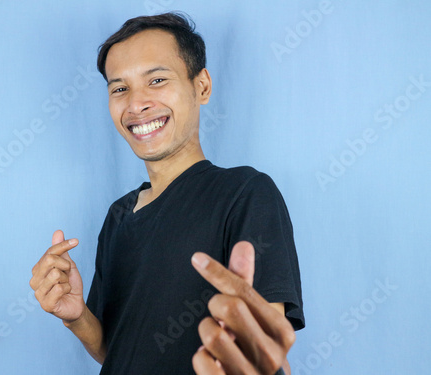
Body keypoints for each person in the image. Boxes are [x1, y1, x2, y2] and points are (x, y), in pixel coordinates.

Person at [30, 12, 304, 375]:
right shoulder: (118, 215)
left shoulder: (245, 193)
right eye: (119, 88)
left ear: (201, 86)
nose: (136, 103)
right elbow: (114, 349)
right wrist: (77, 316)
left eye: (157, 80)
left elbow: (263, 346)